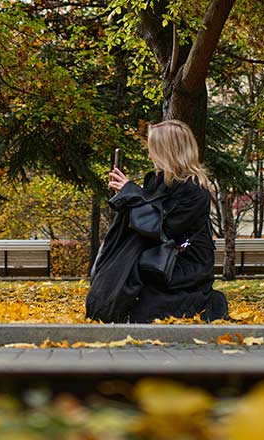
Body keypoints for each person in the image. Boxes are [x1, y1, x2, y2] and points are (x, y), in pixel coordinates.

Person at [87, 120, 228, 323]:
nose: (149, 154)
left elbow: (163, 228)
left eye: (154, 149)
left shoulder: (194, 190)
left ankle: (208, 303)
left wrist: (132, 192)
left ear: (167, 151)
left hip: (183, 265)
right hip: (159, 259)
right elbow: (150, 213)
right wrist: (130, 193)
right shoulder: (159, 181)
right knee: (117, 288)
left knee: (142, 308)